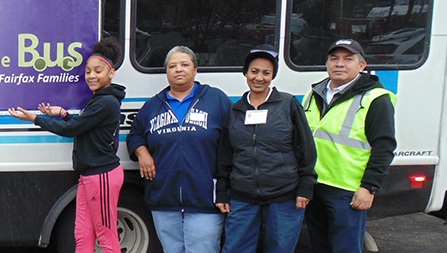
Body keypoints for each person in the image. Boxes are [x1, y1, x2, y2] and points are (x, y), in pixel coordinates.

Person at [8, 37, 125, 253]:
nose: (91, 76)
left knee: (107, 237)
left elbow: (72, 130)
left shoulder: (106, 102)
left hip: (103, 176)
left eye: (98, 71)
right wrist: (62, 114)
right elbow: (82, 126)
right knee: (82, 235)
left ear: (111, 73)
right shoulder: (98, 100)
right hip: (90, 176)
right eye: (88, 71)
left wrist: (35, 119)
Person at [126, 45, 231, 253]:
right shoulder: (153, 106)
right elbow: (135, 134)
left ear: (195, 69)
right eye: (172, 66)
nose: (178, 69)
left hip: (205, 199)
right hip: (164, 199)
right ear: (167, 72)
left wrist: (225, 189)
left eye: (185, 64)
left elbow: (233, 142)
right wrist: (142, 153)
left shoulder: (216, 100)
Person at [215, 44, 318, 253]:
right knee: (235, 249)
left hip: (285, 196)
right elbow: (225, 156)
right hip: (242, 197)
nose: (259, 78)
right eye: (254, 71)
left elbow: (306, 148)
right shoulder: (235, 111)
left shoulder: (288, 105)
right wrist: (223, 192)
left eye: (266, 73)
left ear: (272, 76)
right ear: (245, 73)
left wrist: (306, 186)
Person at [302, 39, 396, 253]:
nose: (340, 64)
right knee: (320, 245)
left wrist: (368, 187)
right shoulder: (313, 94)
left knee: (345, 248)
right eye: (334, 59)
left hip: (347, 190)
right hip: (314, 185)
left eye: (348, 59)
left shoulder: (375, 99)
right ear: (327, 63)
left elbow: (384, 147)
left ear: (362, 66)